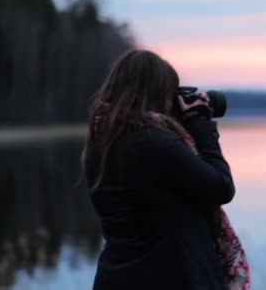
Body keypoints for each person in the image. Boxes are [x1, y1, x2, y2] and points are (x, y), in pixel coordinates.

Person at [80, 49, 249, 290]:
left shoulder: (100, 145)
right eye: (171, 93)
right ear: (158, 94)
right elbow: (221, 187)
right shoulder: (155, 143)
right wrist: (202, 126)